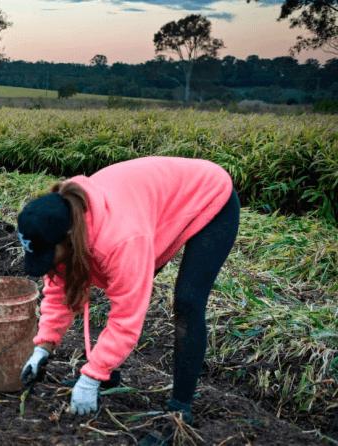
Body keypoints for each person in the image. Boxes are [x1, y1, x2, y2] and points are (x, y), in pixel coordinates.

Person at [18, 156, 240, 424]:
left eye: (47, 256)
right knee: (124, 287)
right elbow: (59, 293)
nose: (49, 265)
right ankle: (108, 375)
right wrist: (43, 347)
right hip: (147, 207)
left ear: (68, 239)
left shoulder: (120, 241)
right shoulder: (62, 222)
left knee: (188, 302)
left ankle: (180, 409)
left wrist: (90, 377)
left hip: (207, 195)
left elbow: (127, 317)